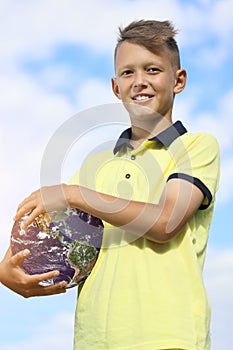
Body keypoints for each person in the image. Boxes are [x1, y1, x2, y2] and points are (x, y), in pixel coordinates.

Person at [0, 20, 220, 350]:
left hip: (169, 338)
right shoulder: (94, 165)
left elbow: (165, 223)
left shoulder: (196, 147)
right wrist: (9, 268)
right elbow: (55, 227)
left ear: (178, 80)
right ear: (116, 87)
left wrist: (73, 193)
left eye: (153, 69)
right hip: (95, 341)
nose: (140, 81)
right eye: (128, 72)